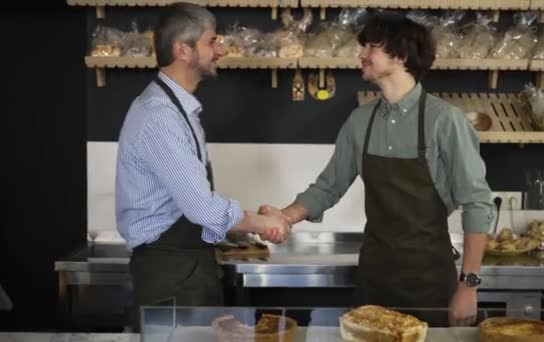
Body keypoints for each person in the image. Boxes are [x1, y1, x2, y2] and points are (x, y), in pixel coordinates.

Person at [260, 11, 493, 326]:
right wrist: (284, 216)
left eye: (371, 47)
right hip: (374, 279)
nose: (362, 55)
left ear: (400, 56)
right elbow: (328, 186)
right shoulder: (361, 121)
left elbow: (476, 203)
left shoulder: (444, 121)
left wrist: (468, 285)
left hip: (430, 281)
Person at [115, 3, 290, 331]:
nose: (219, 50)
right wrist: (262, 222)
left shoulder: (178, 110)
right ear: (183, 49)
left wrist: (252, 221)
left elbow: (194, 201)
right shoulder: (160, 116)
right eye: (211, 42)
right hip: (171, 278)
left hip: (187, 269)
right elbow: (203, 209)